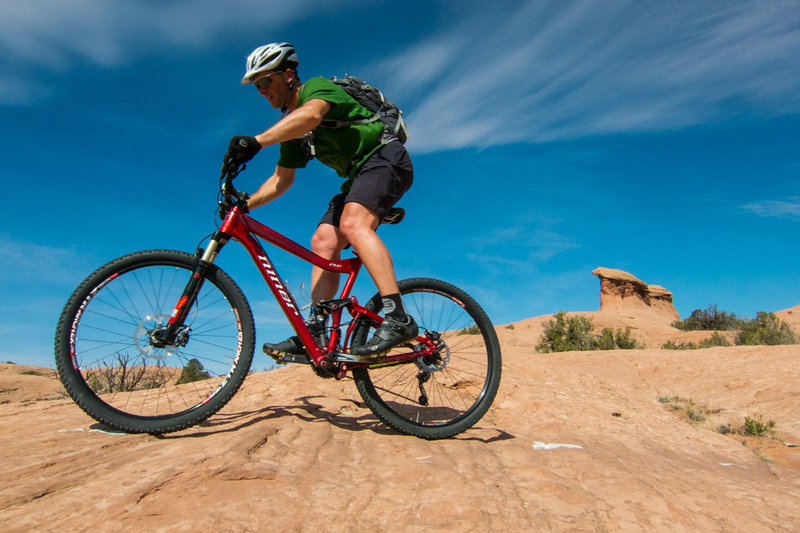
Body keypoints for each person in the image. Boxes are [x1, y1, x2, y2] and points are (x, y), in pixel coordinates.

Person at [224, 42, 417, 360]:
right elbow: (280, 181)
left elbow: (312, 115)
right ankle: (317, 329)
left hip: (385, 156)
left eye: (265, 82)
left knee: (353, 224)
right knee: (324, 239)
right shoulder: (293, 131)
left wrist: (256, 142)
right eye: (256, 86)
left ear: (287, 75)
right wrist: (244, 205)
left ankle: (398, 317)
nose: (261, 91)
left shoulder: (317, 88)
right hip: (358, 176)